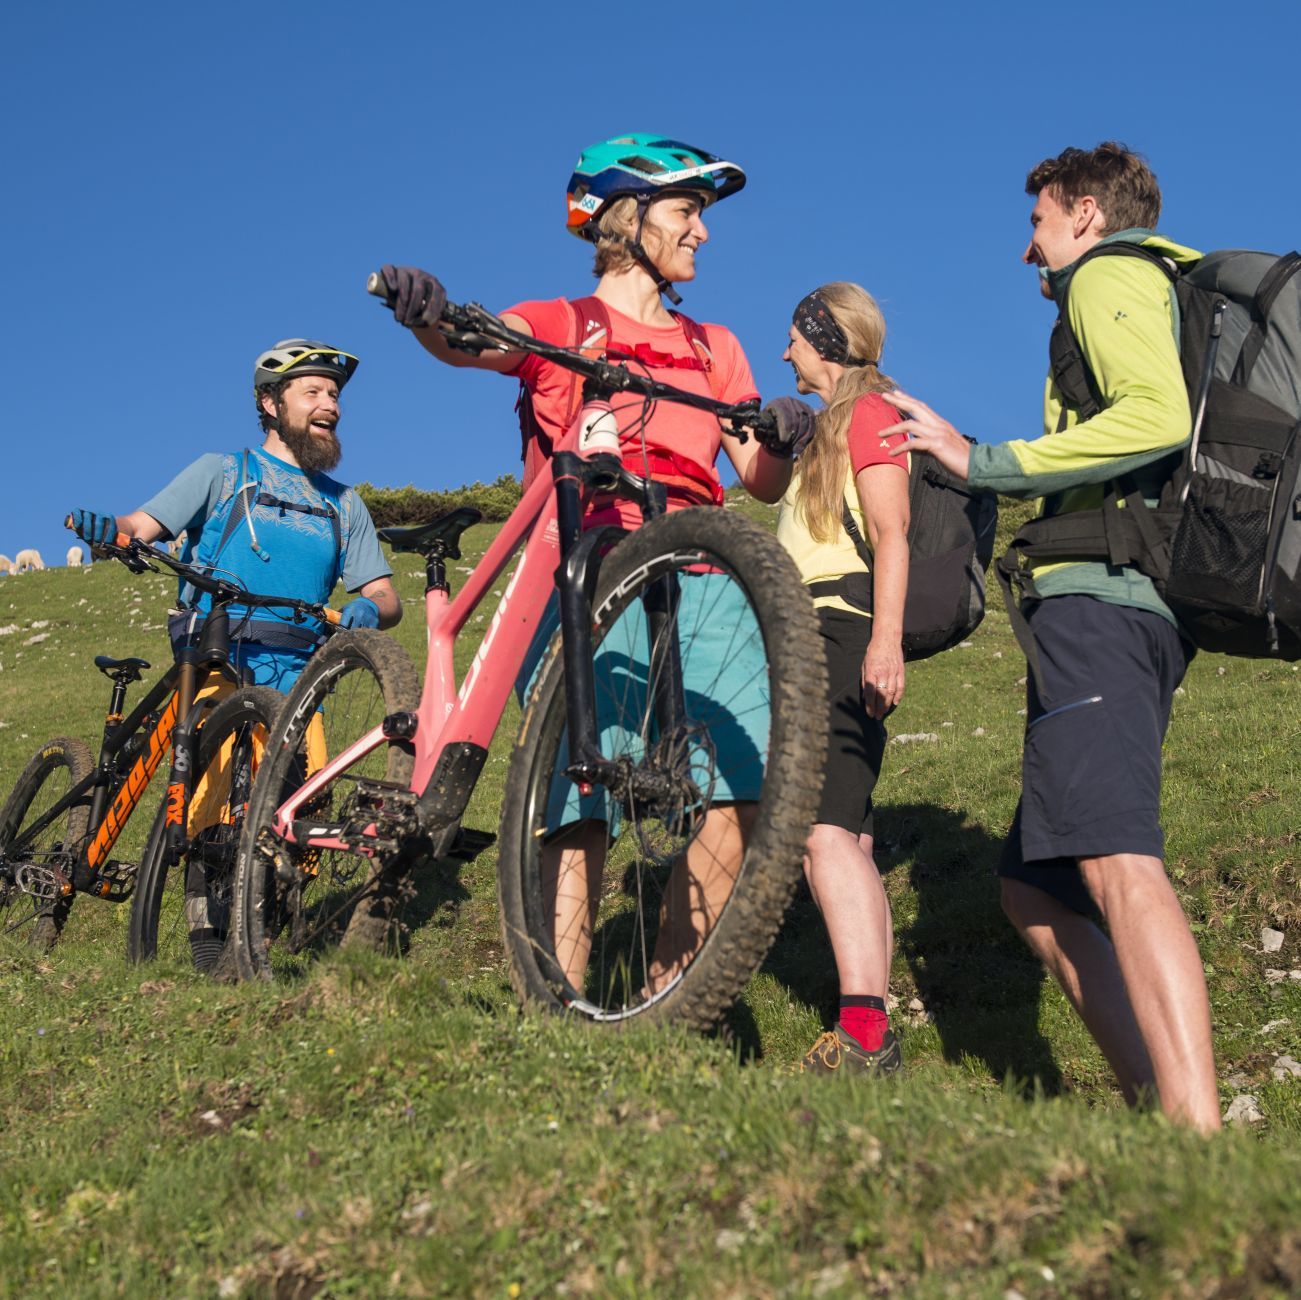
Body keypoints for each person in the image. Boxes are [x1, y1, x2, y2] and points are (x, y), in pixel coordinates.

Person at [377, 134, 811, 993]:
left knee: (746, 784)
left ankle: (667, 998)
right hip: (591, 560)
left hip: (702, 566)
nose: (703, 234)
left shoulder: (713, 346)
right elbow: (474, 342)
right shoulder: (560, 324)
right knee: (582, 798)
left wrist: (785, 435)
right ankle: (560, 999)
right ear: (628, 216)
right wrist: (425, 309)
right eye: (688, 213)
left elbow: (756, 478)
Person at [879, 143, 1219, 1131]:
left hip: (1103, 602)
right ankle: (1154, 1103)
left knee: (1114, 858)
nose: (1026, 250)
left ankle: (1190, 1129)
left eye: (1035, 223)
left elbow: (1153, 414)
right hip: (1112, 599)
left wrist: (981, 459)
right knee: (1034, 889)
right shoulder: (1150, 286)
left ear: (1080, 213)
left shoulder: (1109, 274)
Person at [69, 339, 401, 963]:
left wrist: (366, 608)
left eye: (334, 395)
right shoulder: (223, 472)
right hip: (221, 650)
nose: (330, 404)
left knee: (302, 796)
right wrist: (106, 530)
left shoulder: (343, 503)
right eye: (315, 392)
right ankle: (209, 937)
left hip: (301, 666)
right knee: (217, 789)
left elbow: (385, 596)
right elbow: (140, 527)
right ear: (271, 404)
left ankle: (267, 926)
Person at [773, 284, 909, 1074]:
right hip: (818, 631)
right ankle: (865, 1027)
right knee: (844, 834)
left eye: (792, 337)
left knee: (823, 833)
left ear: (823, 338)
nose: (784, 351)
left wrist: (882, 642)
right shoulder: (823, 426)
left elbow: (891, 532)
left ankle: (863, 1035)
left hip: (840, 626)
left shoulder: (869, 414)